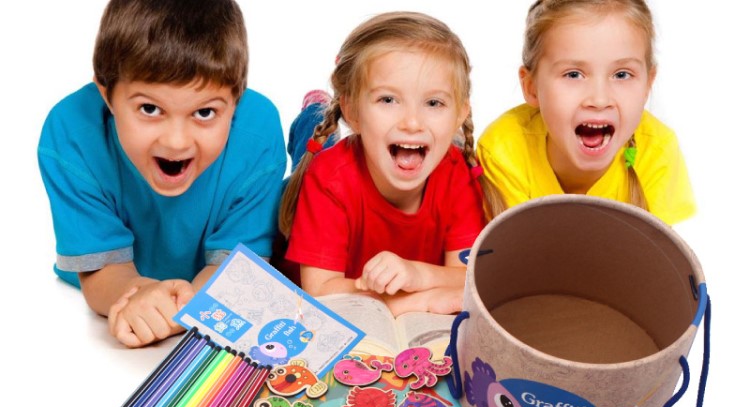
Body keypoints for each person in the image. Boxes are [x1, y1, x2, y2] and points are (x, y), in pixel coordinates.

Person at [38, 0, 287, 348]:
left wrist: (179, 311)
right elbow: (100, 271)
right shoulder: (71, 134)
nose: (176, 142)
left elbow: (237, 271)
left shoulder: (257, 135)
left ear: (236, 100)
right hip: (112, 284)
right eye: (149, 108)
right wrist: (136, 297)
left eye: (204, 113)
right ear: (106, 94)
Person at [279, 12, 499, 317]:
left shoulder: (456, 173)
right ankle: (314, 109)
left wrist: (416, 274)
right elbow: (320, 292)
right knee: (311, 142)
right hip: (329, 172)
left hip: (374, 151)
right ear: (351, 111)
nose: (412, 122)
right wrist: (412, 302)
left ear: (460, 114)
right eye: (388, 100)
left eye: (433, 103)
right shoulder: (329, 178)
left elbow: (469, 277)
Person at [477, 0, 695, 224]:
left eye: (622, 74)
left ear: (648, 83)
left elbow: (655, 246)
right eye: (573, 74)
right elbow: (514, 245)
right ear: (531, 87)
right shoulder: (504, 149)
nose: (599, 100)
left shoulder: (657, 151)